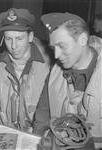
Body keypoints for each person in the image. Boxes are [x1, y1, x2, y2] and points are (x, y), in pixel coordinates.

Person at [33, 12, 102, 149]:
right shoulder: (55, 72)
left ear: (82, 39)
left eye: (62, 46)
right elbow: (42, 115)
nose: (56, 55)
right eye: (53, 48)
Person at [0, 8, 50, 132]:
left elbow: (50, 113)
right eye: (8, 39)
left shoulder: (48, 66)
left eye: (19, 39)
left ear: (30, 37)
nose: (13, 46)